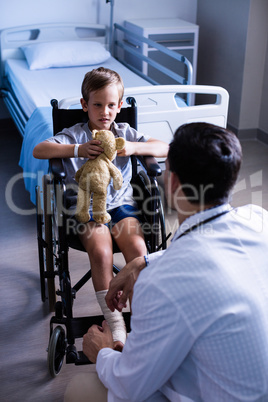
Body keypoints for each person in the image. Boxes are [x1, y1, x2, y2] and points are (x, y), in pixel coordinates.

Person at [65, 122, 268, 401]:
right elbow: (212, 251)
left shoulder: (162, 284)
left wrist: (101, 351)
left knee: (79, 389)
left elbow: (129, 386)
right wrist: (142, 262)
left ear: (171, 183)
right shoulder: (258, 218)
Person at [33, 67, 169, 351]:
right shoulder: (74, 135)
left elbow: (165, 147)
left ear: (120, 106)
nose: (104, 111)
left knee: (139, 253)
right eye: (97, 104)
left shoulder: (124, 132)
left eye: (111, 105)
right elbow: (40, 150)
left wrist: (133, 147)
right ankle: (116, 328)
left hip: (122, 207)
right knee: (101, 252)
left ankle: (143, 323)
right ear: (85, 105)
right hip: (87, 210)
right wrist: (78, 150)